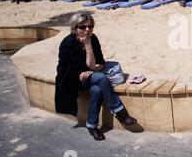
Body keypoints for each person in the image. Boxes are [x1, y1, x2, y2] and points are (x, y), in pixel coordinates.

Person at [55, 13, 137, 141]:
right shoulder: (68, 43)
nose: (87, 29)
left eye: (90, 26)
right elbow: (66, 69)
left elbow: (99, 63)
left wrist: (88, 49)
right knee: (100, 78)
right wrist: (83, 70)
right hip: (71, 79)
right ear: (74, 28)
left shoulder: (93, 38)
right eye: (82, 27)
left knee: (97, 90)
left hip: (90, 76)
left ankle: (92, 125)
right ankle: (120, 113)